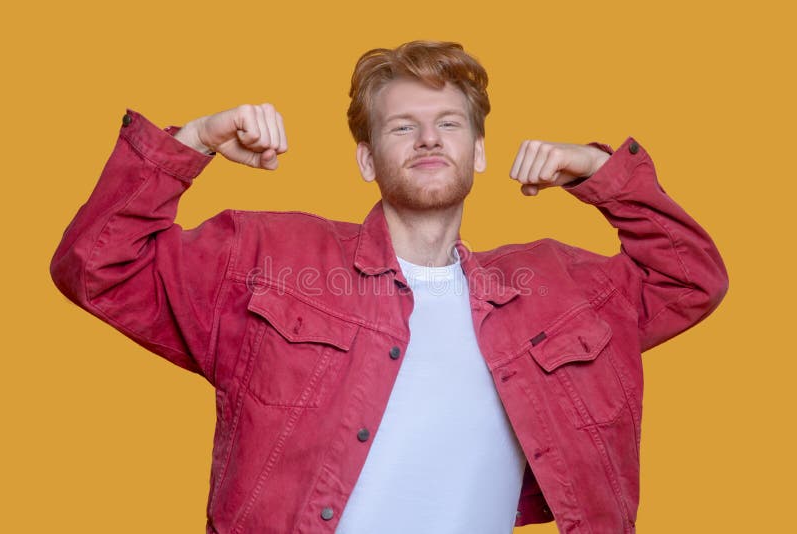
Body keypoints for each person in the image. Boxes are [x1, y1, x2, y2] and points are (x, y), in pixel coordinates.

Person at [50, 40, 728, 534]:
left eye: (449, 124)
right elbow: (97, 264)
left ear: (480, 153)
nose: (428, 139)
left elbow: (689, 278)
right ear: (368, 159)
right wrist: (192, 141)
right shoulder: (268, 258)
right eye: (403, 127)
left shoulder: (552, 289)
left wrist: (599, 172)